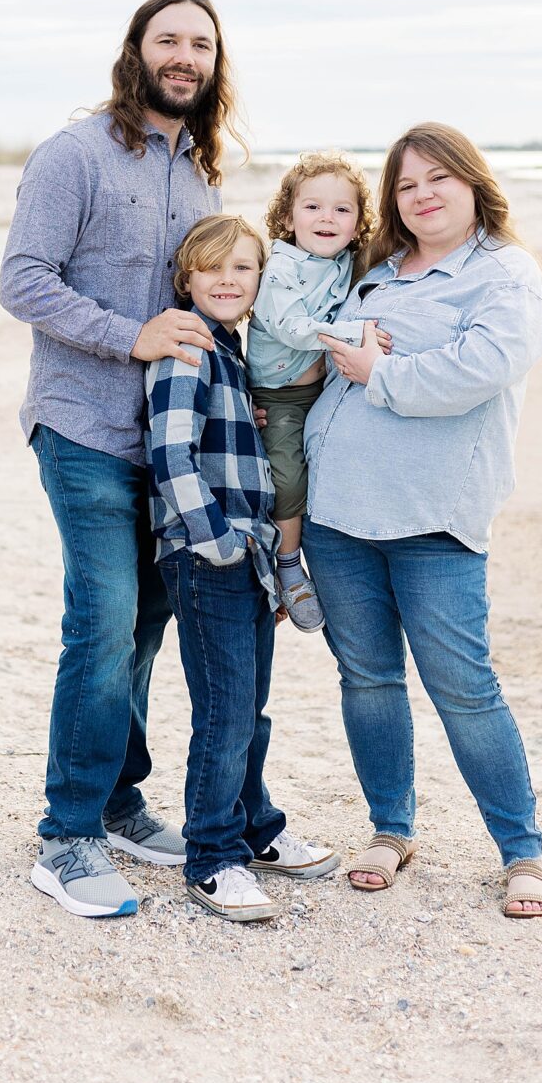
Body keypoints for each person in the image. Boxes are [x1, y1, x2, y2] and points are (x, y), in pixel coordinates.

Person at [0, 0, 246, 919]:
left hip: (169, 441)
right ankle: (65, 838)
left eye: (201, 45)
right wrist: (126, 334)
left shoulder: (201, 177)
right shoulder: (73, 155)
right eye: (169, 40)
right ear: (136, 50)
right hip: (82, 425)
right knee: (100, 624)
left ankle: (116, 802)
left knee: (146, 625)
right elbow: (22, 281)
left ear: (214, 67)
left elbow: (212, 302)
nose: (185, 56)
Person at [303, 123, 542, 918]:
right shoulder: (375, 271)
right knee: (368, 681)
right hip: (336, 514)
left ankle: (521, 854)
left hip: (433, 520)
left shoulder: (504, 275)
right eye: (407, 184)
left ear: (473, 184)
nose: (422, 195)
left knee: (464, 689)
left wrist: (381, 369)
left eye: (438, 178)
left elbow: (481, 370)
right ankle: (390, 828)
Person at [146, 213, 340, 921]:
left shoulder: (232, 352)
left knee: (247, 709)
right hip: (208, 557)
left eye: (243, 268)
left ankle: (257, 829)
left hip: (248, 555)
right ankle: (213, 857)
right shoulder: (187, 350)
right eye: (211, 269)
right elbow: (170, 455)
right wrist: (218, 541)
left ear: (262, 279)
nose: (227, 281)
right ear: (186, 279)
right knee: (224, 713)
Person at [246, 152, 387, 631]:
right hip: (279, 394)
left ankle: (342, 561)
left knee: (334, 472)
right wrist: (355, 333)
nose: (327, 217)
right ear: (288, 217)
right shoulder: (281, 267)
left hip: (323, 391)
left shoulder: (349, 261)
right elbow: (290, 328)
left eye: (342, 210)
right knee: (287, 480)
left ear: (356, 225)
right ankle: (288, 567)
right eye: (312, 207)